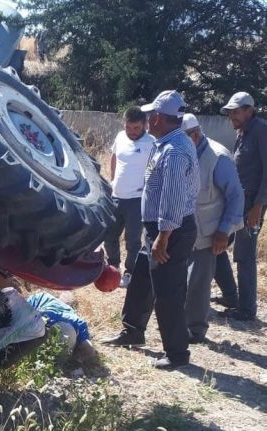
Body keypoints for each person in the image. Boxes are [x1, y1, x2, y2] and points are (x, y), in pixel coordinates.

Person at [103, 91, 199, 370]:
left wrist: (163, 237)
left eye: (148, 117)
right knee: (141, 281)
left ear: (156, 118)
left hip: (170, 231)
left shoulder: (174, 151)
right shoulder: (167, 143)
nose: (145, 121)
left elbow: (173, 198)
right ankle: (132, 330)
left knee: (168, 292)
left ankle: (177, 353)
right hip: (156, 229)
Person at [181, 114, 244, 343]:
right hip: (183, 228)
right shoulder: (183, 153)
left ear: (195, 135)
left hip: (209, 232)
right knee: (182, 280)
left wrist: (224, 231)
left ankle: (195, 331)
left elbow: (236, 197)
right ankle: (180, 322)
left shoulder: (218, 158)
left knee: (197, 283)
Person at [213, 92, 267, 321]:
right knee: (215, 244)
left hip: (251, 206)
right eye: (230, 112)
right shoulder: (242, 133)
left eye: (236, 111)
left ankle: (246, 310)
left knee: (244, 256)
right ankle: (230, 296)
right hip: (236, 204)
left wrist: (258, 206)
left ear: (249, 110)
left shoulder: (261, 131)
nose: (231, 116)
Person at [104, 106, 154, 288]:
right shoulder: (119, 137)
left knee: (132, 239)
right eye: (129, 127)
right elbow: (114, 157)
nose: (132, 132)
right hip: (116, 196)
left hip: (137, 199)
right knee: (109, 234)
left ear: (145, 125)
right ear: (124, 124)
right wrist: (112, 179)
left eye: (136, 128)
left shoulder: (151, 143)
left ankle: (129, 271)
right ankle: (113, 267)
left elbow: (155, 169)